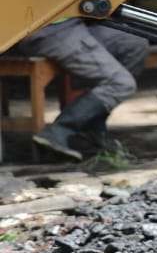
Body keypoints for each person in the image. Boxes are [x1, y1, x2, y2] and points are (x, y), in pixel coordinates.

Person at [15, 19, 148, 161]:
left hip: (74, 24)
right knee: (121, 84)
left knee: (134, 44)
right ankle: (59, 130)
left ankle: (90, 130)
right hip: (48, 30)